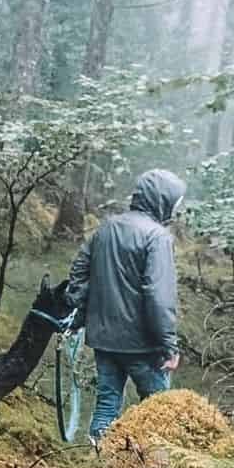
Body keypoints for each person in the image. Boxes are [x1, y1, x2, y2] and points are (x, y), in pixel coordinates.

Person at [66, 169, 185, 448]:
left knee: (107, 405)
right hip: (143, 345)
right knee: (159, 411)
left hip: (103, 341)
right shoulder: (158, 237)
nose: (175, 210)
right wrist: (169, 345)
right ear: (162, 200)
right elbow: (158, 295)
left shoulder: (105, 228)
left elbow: (79, 274)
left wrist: (82, 316)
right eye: (175, 203)